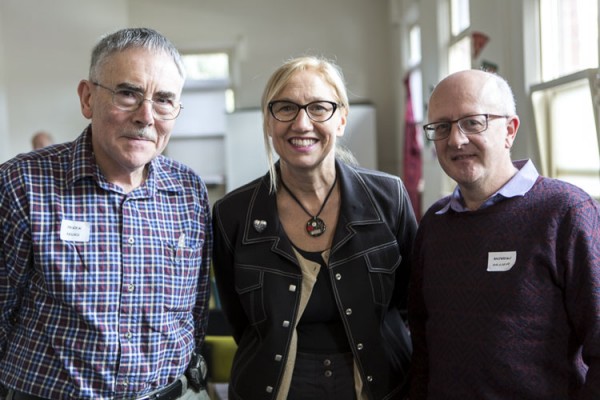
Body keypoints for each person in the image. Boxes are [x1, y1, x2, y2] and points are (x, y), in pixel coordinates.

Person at [0, 28, 212, 400]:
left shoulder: (188, 191)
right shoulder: (21, 183)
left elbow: (196, 310)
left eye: (164, 100)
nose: (146, 116)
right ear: (87, 97)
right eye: (128, 94)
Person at [212, 56, 417, 400]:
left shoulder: (389, 198)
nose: (302, 123)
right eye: (286, 108)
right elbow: (242, 321)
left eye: (319, 108)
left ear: (341, 119)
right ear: (268, 121)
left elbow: (410, 303)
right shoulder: (233, 214)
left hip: (379, 385)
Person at [408, 69, 600, 399]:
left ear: (509, 130)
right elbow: (422, 345)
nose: (456, 140)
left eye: (473, 122)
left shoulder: (566, 211)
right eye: (442, 127)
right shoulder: (434, 224)